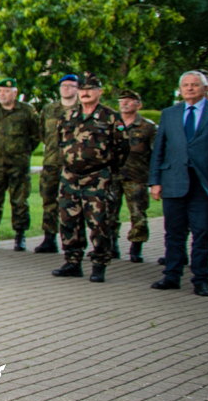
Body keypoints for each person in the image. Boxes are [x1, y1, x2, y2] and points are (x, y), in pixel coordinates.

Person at [149, 71, 208, 296]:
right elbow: (159, 149)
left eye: (195, 85)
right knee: (173, 233)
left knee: (202, 232)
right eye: (185, 85)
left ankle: (201, 279)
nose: (189, 88)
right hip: (173, 181)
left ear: (206, 88)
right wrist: (155, 182)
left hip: (205, 182)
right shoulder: (169, 113)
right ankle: (171, 276)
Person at [52, 73, 129, 283]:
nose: (85, 93)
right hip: (70, 177)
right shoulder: (68, 116)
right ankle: (72, 261)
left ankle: (99, 263)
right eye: (83, 89)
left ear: (99, 92)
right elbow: (60, 142)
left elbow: (122, 148)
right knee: (68, 220)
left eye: (90, 89)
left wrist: (107, 169)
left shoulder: (110, 117)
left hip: (97, 177)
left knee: (99, 222)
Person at [0, 77, 42, 251]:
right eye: (0, 91)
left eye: (7, 91)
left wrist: (24, 151)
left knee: (20, 200)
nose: (3, 94)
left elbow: (36, 135)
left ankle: (20, 236)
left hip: (19, 165)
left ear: (15, 93)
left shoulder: (27, 111)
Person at [110, 89, 158, 262]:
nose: (125, 103)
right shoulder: (111, 124)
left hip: (136, 176)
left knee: (138, 214)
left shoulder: (148, 127)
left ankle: (136, 248)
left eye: (129, 100)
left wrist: (155, 179)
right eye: (122, 100)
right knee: (109, 212)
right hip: (113, 175)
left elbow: (156, 153)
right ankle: (112, 246)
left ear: (139, 105)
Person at [36, 74, 80, 253]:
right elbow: (41, 133)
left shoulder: (83, 109)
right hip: (52, 163)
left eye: (71, 85)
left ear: (77, 89)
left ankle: (72, 242)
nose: (66, 88)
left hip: (74, 165)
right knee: (49, 200)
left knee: (73, 203)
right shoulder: (49, 109)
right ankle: (49, 238)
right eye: (63, 85)